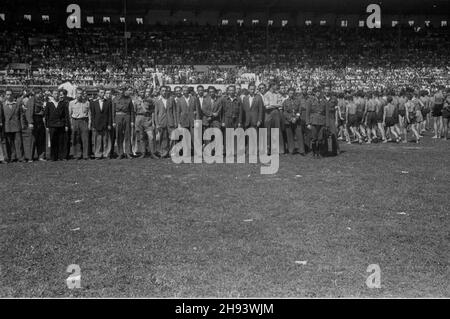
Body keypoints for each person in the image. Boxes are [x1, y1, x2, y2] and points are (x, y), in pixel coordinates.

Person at [44, 89, 70, 161]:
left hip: (61, 125)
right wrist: (47, 126)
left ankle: (61, 156)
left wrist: (66, 125)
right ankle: (53, 156)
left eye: (57, 93)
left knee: (61, 141)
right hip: (52, 125)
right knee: (53, 141)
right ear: (52, 95)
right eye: (55, 93)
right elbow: (46, 115)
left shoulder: (63, 103)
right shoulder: (49, 104)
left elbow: (66, 115)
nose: (56, 95)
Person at [0, 89, 24, 162]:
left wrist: (22, 125)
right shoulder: (2, 105)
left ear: (13, 95)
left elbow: (21, 116)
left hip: (17, 125)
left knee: (19, 142)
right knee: (9, 143)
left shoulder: (17, 104)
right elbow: (1, 116)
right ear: (5, 95)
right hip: (7, 126)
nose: (9, 96)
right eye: (7, 94)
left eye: (10, 94)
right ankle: (12, 157)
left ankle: (20, 157)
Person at [240, 83, 264, 156]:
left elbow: (261, 110)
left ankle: (255, 151)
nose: (252, 91)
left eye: (253, 89)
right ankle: (248, 151)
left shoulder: (258, 97)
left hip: (255, 120)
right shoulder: (245, 98)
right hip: (247, 120)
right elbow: (243, 110)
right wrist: (242, 121)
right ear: (248, 89)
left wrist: (259, 120)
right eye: (251, 89)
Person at [306, 87, 330, 157]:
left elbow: (327, 114)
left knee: (320, 138)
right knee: (314, 138)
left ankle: (319, 152)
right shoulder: (310, 101)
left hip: (322, 122)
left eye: (319, 92)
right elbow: (308, 113)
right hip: (313, 121)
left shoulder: (325, 101)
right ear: (314, 93)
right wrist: (308, 123)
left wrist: (327, 124)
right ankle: (314, 152)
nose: (318, 93)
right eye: (316, 92)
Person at [112, 86, 135, 159]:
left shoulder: (128, 99)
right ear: (118, 91)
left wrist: (132, 121)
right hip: (118, 117)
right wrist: (113, 121)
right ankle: (120, 153)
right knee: (118, 135)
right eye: (120, 90)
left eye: (123, 90)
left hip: (127, 117)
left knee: (127, 135)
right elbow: (113, 111)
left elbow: (132, 110)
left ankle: (128, 152)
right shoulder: (115, 99)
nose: (121, 91)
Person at [155, 86, 177, 158]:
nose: (164, 92)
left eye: (165, 91)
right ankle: (164, 153)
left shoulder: (171, 100)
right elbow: (156, 113)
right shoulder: (158, 100)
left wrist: (175, 122)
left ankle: (171, 152)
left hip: (171, 121)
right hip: (162, 121)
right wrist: (157, 123)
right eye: (163, 91)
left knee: (172, 138)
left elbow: (174, 111)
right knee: (163, 138)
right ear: (160, 92)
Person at [69, 88, 91, 160]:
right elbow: (69, 115)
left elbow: (89, 114)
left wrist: (89, 124)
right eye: (78, 93)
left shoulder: (87, 102)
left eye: (81, 93)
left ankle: (85, 155)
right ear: (75, 94)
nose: (79, 95)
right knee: (76, 138)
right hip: (75, 121)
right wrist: (71, 124)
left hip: (84, 121)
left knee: (85, 139)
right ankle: (77, 155)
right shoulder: (71, 103)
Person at [90, 87, 112, 159]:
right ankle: (98, 154)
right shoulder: (93, 103)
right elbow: (92, 115)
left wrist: (109, 124)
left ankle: (106, 154)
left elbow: (109, 114)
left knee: (106, 140)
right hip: (97, 124)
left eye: (103, 92)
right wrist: (93, 124)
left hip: (105, 123)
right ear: (98, 93)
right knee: (98, 140)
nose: (102, 94)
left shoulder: (108, 102)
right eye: (101, 92)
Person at [25, 88, 46, 161]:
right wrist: (30, 122)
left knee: (41, 139)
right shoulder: (32, 100)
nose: (41, 94)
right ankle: (30, 157)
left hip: (40, 120)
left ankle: (41, 156)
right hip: (35, 120)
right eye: (40, 93)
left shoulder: (40, 100)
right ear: (36, 93)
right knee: (32, 140)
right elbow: (29, 112)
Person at [282, 87, 305, 155]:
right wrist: (290, 119)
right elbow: (285, 112)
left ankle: (301, 150)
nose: (291, 94)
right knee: (290, 136)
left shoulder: (298, 101)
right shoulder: (285, 102)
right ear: (288, 93)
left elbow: (299, 110)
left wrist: (296, 118)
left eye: (292, 93)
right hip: (289, 121)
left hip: (297, 120)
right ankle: (291, 150)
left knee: (299, 135)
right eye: (290, 93)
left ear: (294, 93)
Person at [263, 83, 285, 155]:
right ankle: (268, 149)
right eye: (276, 86)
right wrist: (275, 105)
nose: (277, 87)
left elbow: (281, 104)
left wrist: (272, 104)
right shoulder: (266, 94)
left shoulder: (277, 94)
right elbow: (267, 106)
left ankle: (278, 149)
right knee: (268, 131)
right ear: (272, 86)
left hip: (276, 113)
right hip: (269, 114)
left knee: (277, 130)